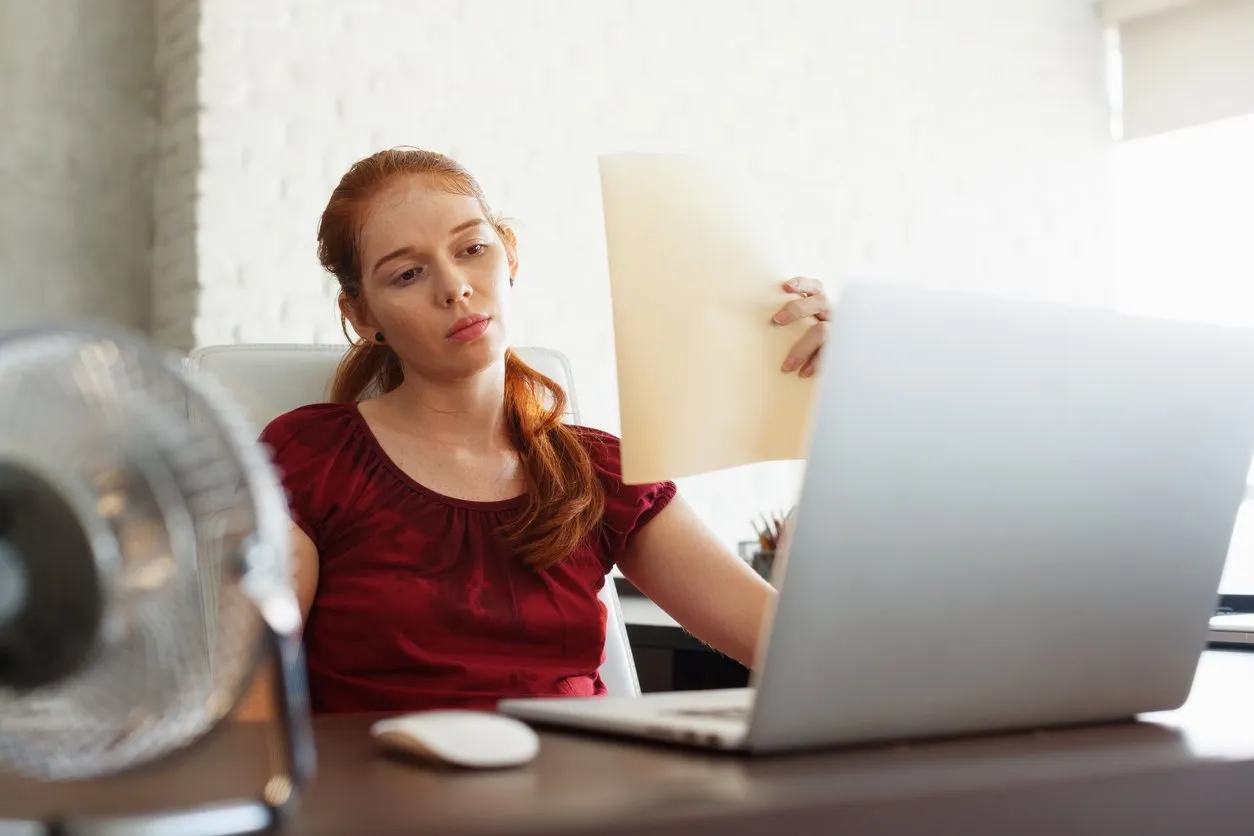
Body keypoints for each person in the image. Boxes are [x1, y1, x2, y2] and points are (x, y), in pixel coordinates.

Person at [236, 148, 833, 719]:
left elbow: (802, 654)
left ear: (510, 255)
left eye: (472, 247)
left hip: (581, 800)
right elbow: (251, 711)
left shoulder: (599, 471)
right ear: (361, 315)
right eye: (408, 273)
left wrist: (853, 388)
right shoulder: (309, 458)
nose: (454, 288)